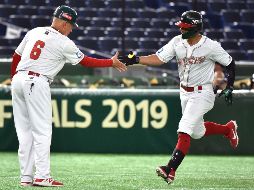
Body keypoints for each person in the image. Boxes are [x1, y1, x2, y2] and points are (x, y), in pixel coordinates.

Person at [11, 5, 127, 187]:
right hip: (37, 81)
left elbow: (16, 56)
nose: (72, 29)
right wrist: (110, 62)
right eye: (72, 25)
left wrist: (14, 79)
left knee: (24, 132)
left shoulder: (35, 31)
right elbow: (86, 62)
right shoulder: (64, 42)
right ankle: (42, 176)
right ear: (65, 23)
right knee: (42, 131)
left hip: (18, 79)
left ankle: (26, 177)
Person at [119, 10, 238, 184]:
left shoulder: (210, 45)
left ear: (196, 28)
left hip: (203, 92)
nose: (181, 29)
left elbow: (230, 63)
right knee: (197, 132)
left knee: (184, 128)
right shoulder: (177, 42)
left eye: (185, 27)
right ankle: (228, 129)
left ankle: (170, 169)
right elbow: (159, 58)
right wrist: (136, 59)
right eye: (180, 26)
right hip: (184, 92)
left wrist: (230, 86)